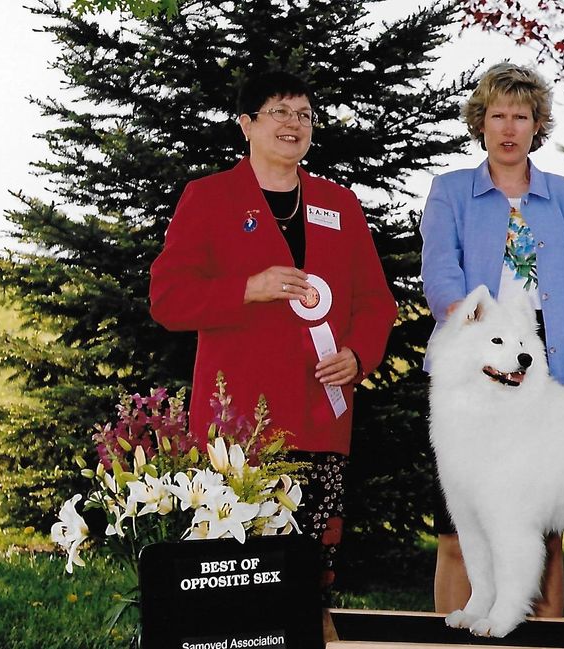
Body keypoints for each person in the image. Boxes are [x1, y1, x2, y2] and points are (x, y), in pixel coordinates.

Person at [150, 70, 397, 583]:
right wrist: (247, 288)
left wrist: (359, 354)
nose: (294, 123)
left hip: (320, 416)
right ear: (246, 124)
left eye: (304, 114)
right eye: (279, 111)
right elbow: (167, 298)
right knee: (230, 575)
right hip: (236, 425)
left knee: (309, 574)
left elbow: (377, 301)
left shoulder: (340, 204)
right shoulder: (209, 197)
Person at [420, 62, 564, 617]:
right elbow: (441, 271)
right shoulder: (450, 192)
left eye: (521, 116)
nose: (509, 128)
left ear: (538, 125)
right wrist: (469, 321)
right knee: (457, 528)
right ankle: (456, 648)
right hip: (478, 356)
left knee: (543, 525)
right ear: (481, 123)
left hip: (545, 363)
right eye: (498, 116)